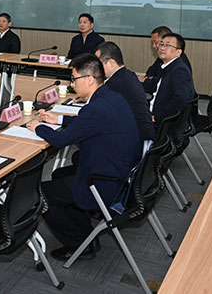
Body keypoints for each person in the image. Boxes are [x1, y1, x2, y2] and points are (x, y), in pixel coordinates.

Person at [26, 53, 141, 260]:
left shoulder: (96, 108)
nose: (72, 84)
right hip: (121, 172)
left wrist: (37, 127)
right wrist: (59, 119)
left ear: (89, 79)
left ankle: (80, 243)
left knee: (40, 194)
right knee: (59, 174)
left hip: (106, 181)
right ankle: (83, 231)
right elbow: (88, 124)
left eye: (74, 79)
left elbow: (61, 140)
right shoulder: (112, 97)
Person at [95, 41, 156, 143]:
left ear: (111, 62)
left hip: (134, 140)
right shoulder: (127, 75)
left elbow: (96, 108)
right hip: (141, 134)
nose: (96, 69)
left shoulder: (116, 83)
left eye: (99, 64)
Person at [145, 32, 195, 126]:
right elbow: (154, 84)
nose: (162, 48)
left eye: (167, 45)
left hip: (161, 120)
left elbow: (180, 100)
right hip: (156, 107)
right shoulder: (167, 66)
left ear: (178, 52)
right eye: (161, 44)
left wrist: (157, 118)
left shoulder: (180, 71)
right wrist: (132, 83)